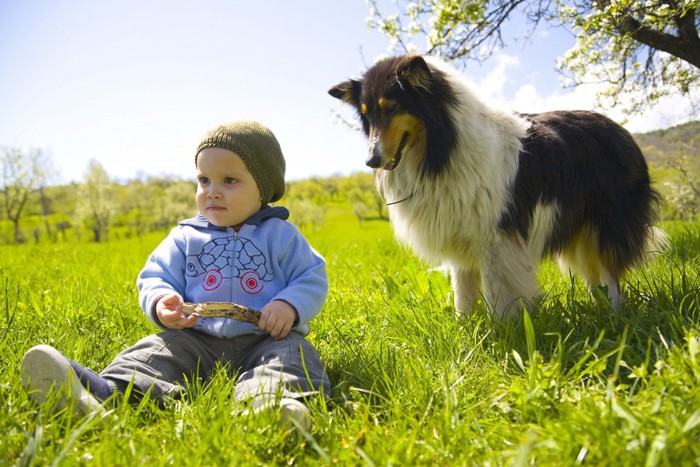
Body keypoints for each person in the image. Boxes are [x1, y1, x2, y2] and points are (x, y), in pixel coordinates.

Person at [22, 120, 330, 433]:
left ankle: (270, 406)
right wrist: (160, 301)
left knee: (292, 355)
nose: (212, 192)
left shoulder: (280, 235)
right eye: (204, 180)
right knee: (153, 352)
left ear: (263, 187)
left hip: (266, 338)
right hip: (196, 336)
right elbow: (155, 275)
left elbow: (311, 276)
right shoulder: (185, 237)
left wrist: (289, 305)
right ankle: (103, 393)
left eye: (229, 180)